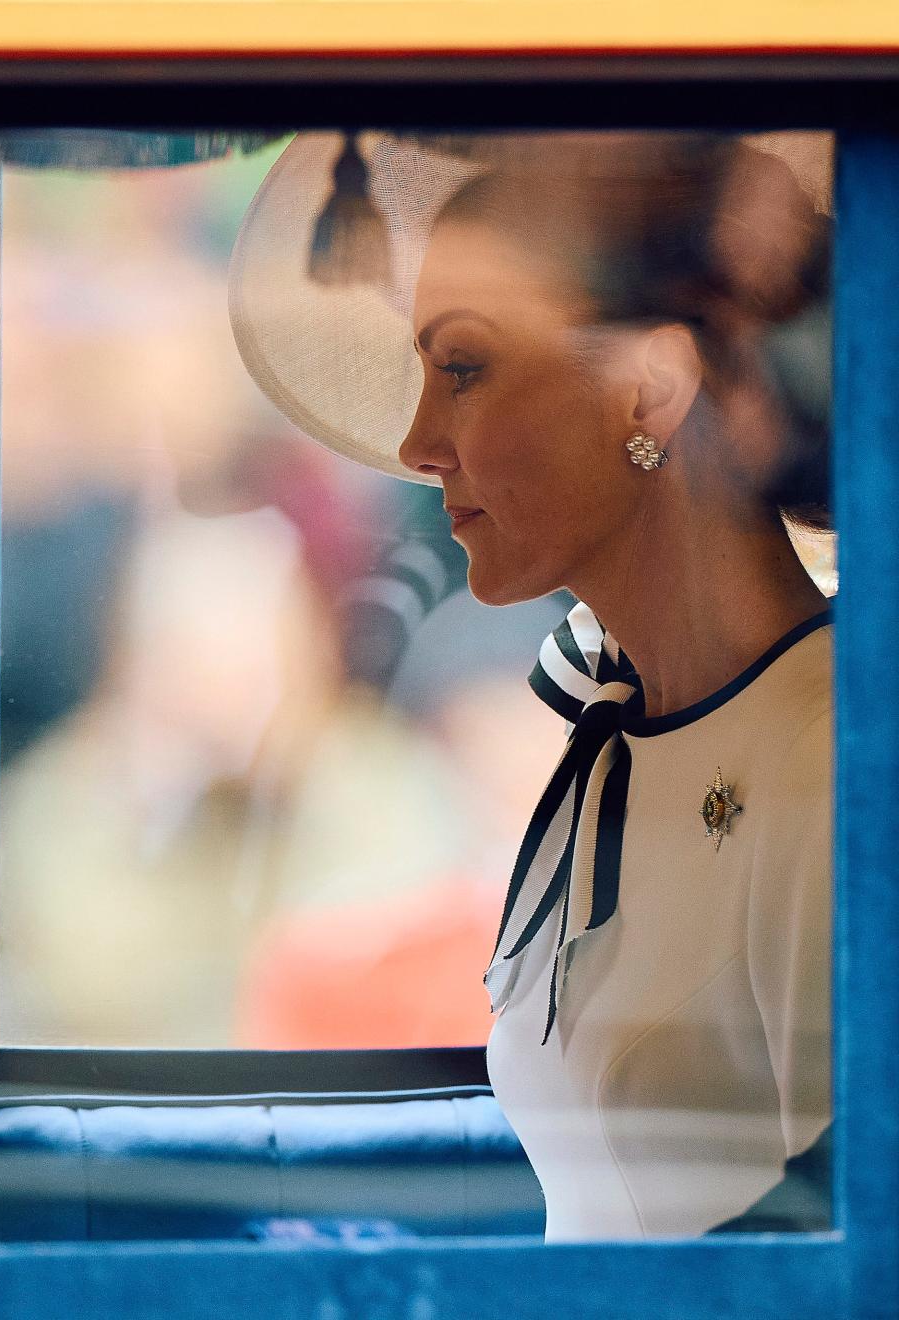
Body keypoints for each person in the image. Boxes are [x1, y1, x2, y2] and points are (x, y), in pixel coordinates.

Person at [229, 130, 834, 1239]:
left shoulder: (833, 764)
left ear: (650, 391)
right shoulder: (605, 730)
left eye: (462, 366)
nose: (417, 442)